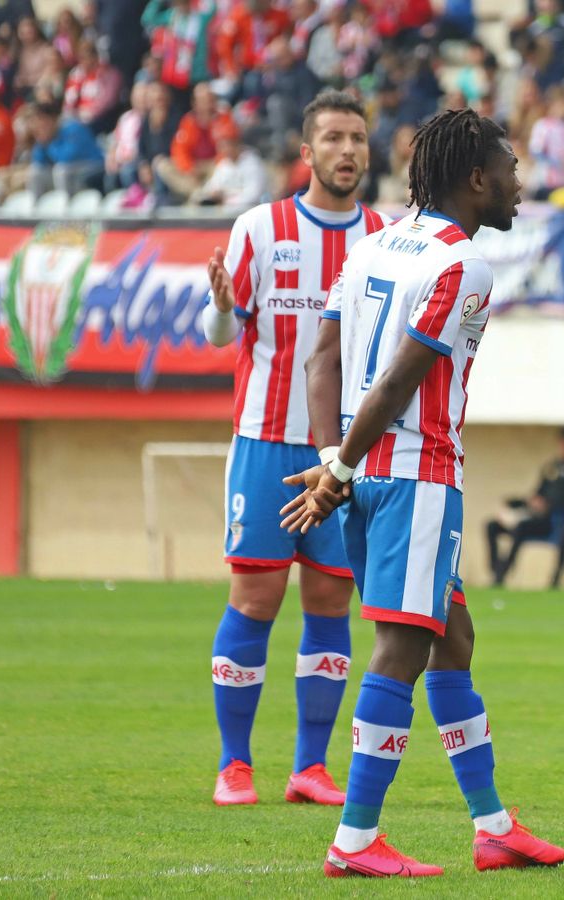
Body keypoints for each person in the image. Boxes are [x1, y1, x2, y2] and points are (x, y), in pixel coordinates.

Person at [284, 108, 564, 876]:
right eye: (510, 171)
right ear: (476, 179)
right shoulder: (462, 265)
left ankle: (493, 826)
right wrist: (336, 472)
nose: (519, 184)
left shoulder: (372, 242)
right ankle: (354, 840)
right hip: (416, 475)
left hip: (366, 467)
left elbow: (321, 360)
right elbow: (401, 377)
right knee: (402, 647)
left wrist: (332, 459)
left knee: (454, 640)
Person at [197, 92, 386, 809]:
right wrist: (221, 304)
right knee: (256, 595)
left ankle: (310, 768)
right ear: (307, 153)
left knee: (332, 598)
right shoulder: (260, 227)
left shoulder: (384, 237)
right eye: (333, 138)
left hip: (344, 451)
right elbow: (221, 335)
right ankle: (234, 764)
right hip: (265, 441)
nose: (347, 151)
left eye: (358, 139)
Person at [484, 427, 564, 588]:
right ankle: (496, 568)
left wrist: (549, 505)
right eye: (562, 444)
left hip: (554, 521)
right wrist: (518, 503)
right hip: (536, 515)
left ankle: (502, 574)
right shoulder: (551, 467)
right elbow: (538, 493)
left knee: (521, 527)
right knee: (491, 525)